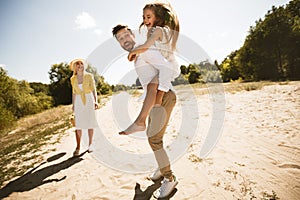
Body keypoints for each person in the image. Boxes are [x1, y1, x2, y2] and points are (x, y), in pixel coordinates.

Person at [112, 23, 178, 198]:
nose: (124, 39)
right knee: (154, 137)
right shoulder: (138, 55)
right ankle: (161, 165)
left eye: (126, 35)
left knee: (154, 139)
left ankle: (169, 178)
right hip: (157, 97)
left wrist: (160, 93)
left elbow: (167, 67)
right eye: (120, 38)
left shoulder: (144, 50)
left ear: (133, 35)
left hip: (163, 96)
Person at [119, 1, 180, 135]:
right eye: (143, 17)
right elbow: (149, 49)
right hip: (166, 67)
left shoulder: (158, 30)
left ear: (157, 18)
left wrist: (133, 52)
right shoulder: (153, 31)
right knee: (152, 87)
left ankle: (142, 120)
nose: (145, 20)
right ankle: (141, 121)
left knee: (154, 88)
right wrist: (137, 53)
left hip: (170, 67)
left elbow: (146, 47)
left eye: (148, 17)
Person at [70, 58, 99, 156]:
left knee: (90, 122)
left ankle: (90, 144)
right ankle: (78, 147)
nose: (80, 66)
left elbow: (94, 89)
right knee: (78, 125)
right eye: (77, 64)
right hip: (78, 101)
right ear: (75, 67)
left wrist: (96, 101)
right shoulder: (72, 79)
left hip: (89, 99)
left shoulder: (89, 76)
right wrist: (73, 105)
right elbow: (73, 92)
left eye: (81, 64)